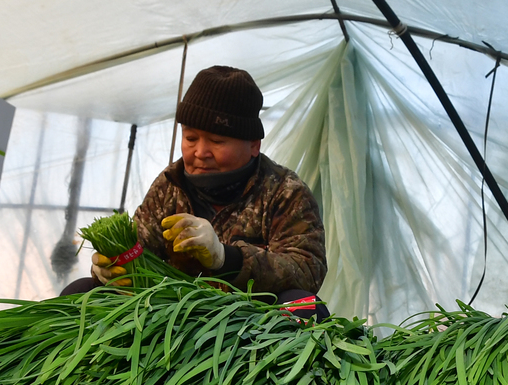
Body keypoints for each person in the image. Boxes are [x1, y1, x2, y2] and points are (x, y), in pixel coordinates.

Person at [63, 66, 329, 321]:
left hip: (252, 325)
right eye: (191, 139)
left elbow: (308, 270)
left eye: (217, 141)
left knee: (305, 307)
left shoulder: (284, 192)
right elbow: (140, 253)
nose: (200, 152)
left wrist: (228, 259)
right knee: (79, 293)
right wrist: (112, 267)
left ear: (253, 145)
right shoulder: (170, 185)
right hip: (170, 318)